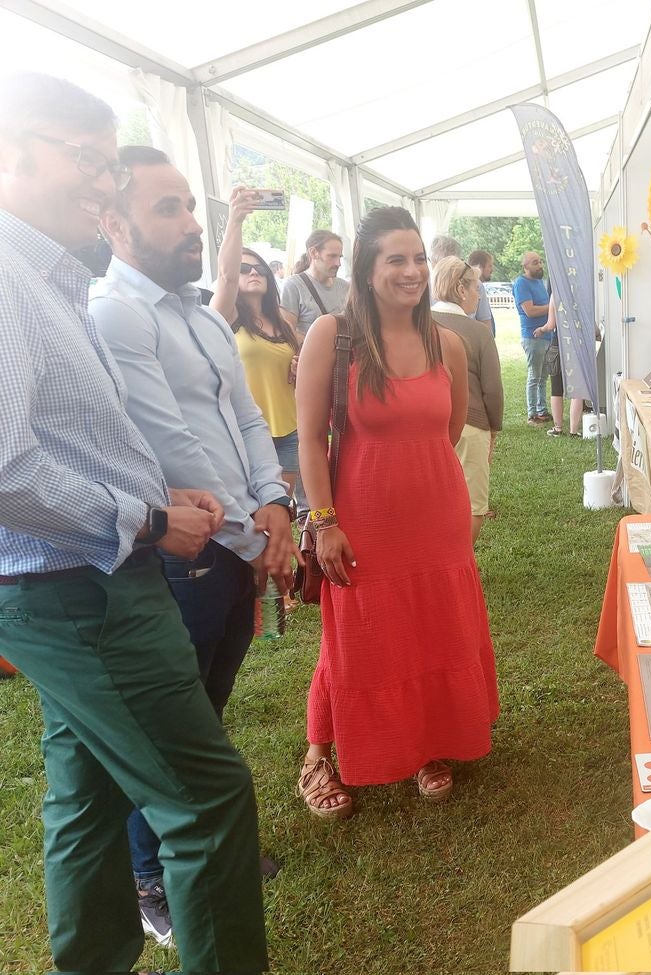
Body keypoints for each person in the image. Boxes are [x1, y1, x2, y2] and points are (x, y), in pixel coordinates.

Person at [0, 72, 266, 973]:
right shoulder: (7, 275)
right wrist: (147, 517)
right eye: (86, 160)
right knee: (208, 798)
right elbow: (5, 469)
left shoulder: (54, 278)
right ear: (11, 150)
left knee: (85, 797)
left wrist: (160, 501)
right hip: (82, 587)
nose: (103, 185)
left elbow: (75, 440)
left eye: (111, 165)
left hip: (82, 581)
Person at [92, 149, 294, 947]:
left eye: (189, 206)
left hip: (237, 544)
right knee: (169, 728)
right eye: (168, 207)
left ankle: (197, 848)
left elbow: (246, 419)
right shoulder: (116, 313)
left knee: (205, 712)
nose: (190, 222)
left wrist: (275, 505)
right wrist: (259, 537)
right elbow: (169, 445)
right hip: (184, 553)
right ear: (114, 222)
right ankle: (152, 876)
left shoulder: (202, 314)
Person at [296, 207, 498, 818]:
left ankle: (428, 742)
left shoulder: (449, 343)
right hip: (361, 518)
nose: (411, 272)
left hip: (436, 516)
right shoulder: (332, 335)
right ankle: (317, 754)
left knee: (434, 626)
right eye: (395, 260)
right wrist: (325, 520)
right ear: (366, 267)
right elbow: (308, 438)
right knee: (354, 637)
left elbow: (451, 426)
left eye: (417, 259)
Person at [212, 186, 307, 514]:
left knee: (280, 515)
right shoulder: (227, 316)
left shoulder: (282, 322)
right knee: (250, 518)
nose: (252, 272)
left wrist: (299, 368)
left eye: (259, 269)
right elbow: (225, 276)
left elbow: (295, 371)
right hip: (246, 435)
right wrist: (235, 220)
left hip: (289, 431)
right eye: (245, 268)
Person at [431, 256, 503, 542]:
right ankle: (459, 566)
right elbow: (493, 390)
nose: (478, 294)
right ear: (461, 289)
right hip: (471, 424)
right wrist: (493, 428)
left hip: (425, 426)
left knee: (433, 501)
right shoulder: (478, 332)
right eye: (476, 288)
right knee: (473, 504)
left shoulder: (415, 326)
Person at [536, 294, 586, 438]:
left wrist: (542, 329)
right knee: (577, 390)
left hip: (558, 345)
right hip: (576, 346)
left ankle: (558, 428)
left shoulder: (556, 295)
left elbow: (551, 325)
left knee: (556, 389)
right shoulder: (579, 293)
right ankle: (574, 430)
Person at [281, 228, 347, 335]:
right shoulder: (293, 286)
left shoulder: (345, 286)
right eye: (332, 256)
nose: (338, 263)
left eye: (339, 257)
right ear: (313, 253)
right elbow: (288, 334)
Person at [514, 250, 551, 425]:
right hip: (532, 335)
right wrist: (551, 307)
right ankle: (532, 413)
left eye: (540, 261)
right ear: (525, 266)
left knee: (543, 376)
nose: (540, 265)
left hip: (546, 334)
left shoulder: (539, 282)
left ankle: (542, 410)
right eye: (535, 262)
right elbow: (530, 311)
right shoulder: (521, 283)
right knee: (534, 376)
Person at [467, 248, 496, 336]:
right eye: (490, 266)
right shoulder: (478, 285)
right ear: (479, 267)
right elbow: (485, 321)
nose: (492, 269)